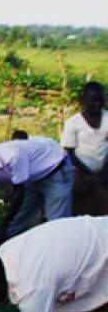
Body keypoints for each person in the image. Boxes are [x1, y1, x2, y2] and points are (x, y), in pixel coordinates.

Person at [60, 82, 108, 216]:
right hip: (79, 170)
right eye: (93, 101)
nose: (97, 104)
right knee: (80, 202)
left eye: (100, 100)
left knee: (103, 207)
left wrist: (103, 172)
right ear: (83, 100)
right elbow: (69, 153)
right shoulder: (73, 122)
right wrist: (89, 173)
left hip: (104, 170)